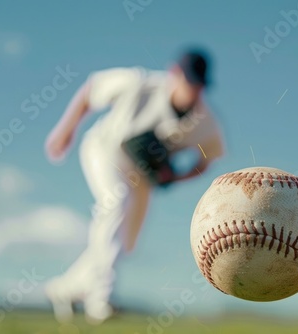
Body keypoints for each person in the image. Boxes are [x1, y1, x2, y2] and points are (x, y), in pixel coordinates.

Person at [44, 47, 225, 324]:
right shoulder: (139, 82)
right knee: (115, 202)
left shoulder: (205, 120)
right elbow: (92, 88)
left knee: (122, 244)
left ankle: (64, 289)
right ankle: (100, 300)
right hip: (105, 151)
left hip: (142, 177)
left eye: (199, 85)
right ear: (174, 73)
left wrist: (175, 178)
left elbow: (206, 160)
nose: (194, 90)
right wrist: (65, 130)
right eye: (189, 81)